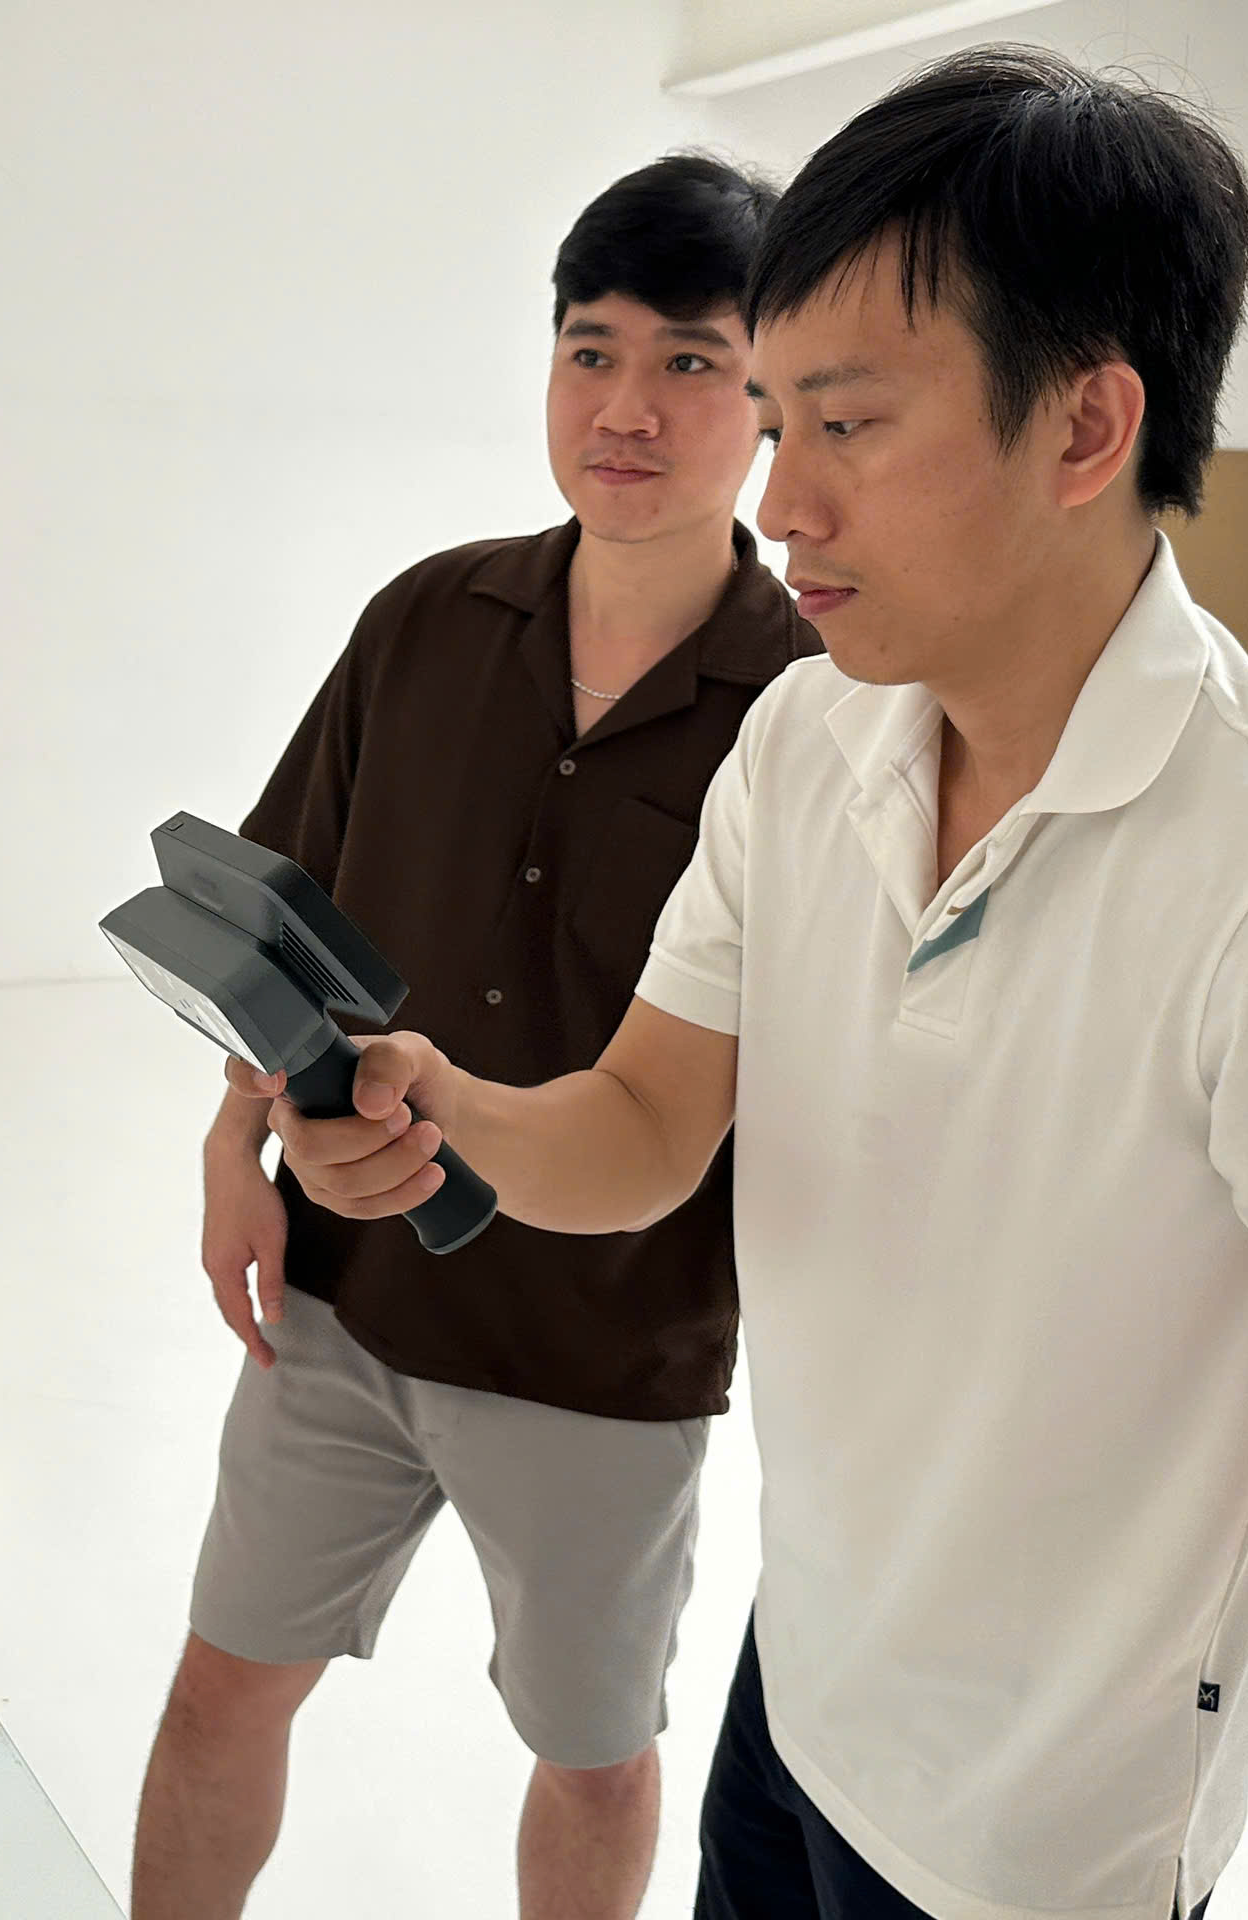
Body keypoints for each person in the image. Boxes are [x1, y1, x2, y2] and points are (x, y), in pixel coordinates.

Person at [242, 47, 1248, 1920]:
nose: (782, 504)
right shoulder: (804, 745)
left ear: (1084, 429)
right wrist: (460, 1113)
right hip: (802, 1705)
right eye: (775, 424)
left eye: (843, 426)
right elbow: (646, 1123)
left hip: (1048, 1842)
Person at [129, 153, 816, 1919]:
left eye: (689, 362)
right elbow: (274, 917)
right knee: (219, 1692)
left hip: (610, 1346)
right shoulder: (428, 620)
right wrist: (232, 1145)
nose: (627, 409)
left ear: (770, 398)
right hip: (348, 1298)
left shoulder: (814, 711)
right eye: (592, 352)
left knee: (591, 1761)